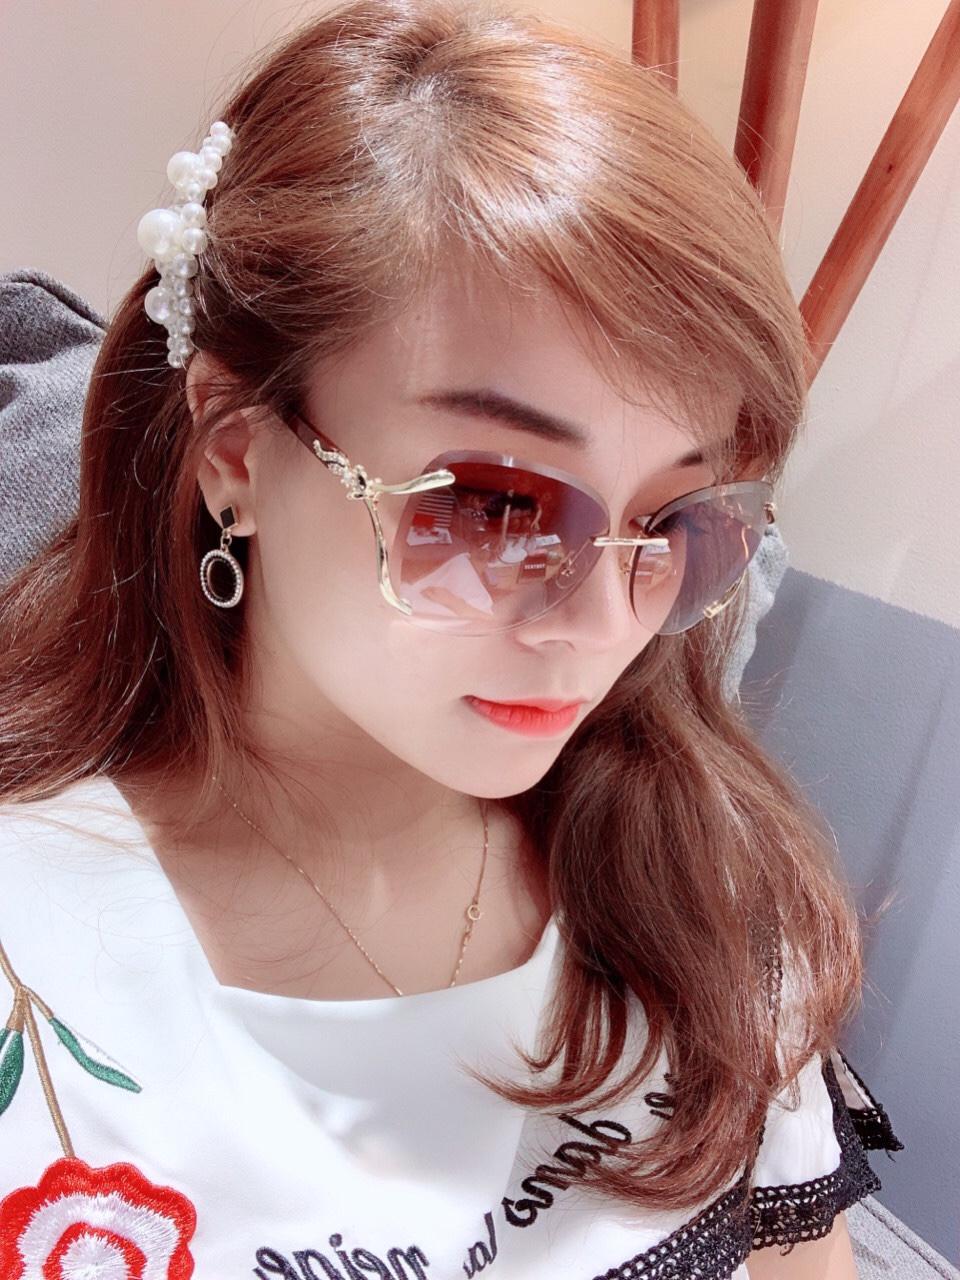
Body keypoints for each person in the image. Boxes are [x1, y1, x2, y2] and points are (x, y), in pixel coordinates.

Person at [0, 1, 901, 1276]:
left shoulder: (704, 883)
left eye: (675, 521)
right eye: (494, 505)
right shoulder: (36, 971)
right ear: (234, 450)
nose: (602, 625)